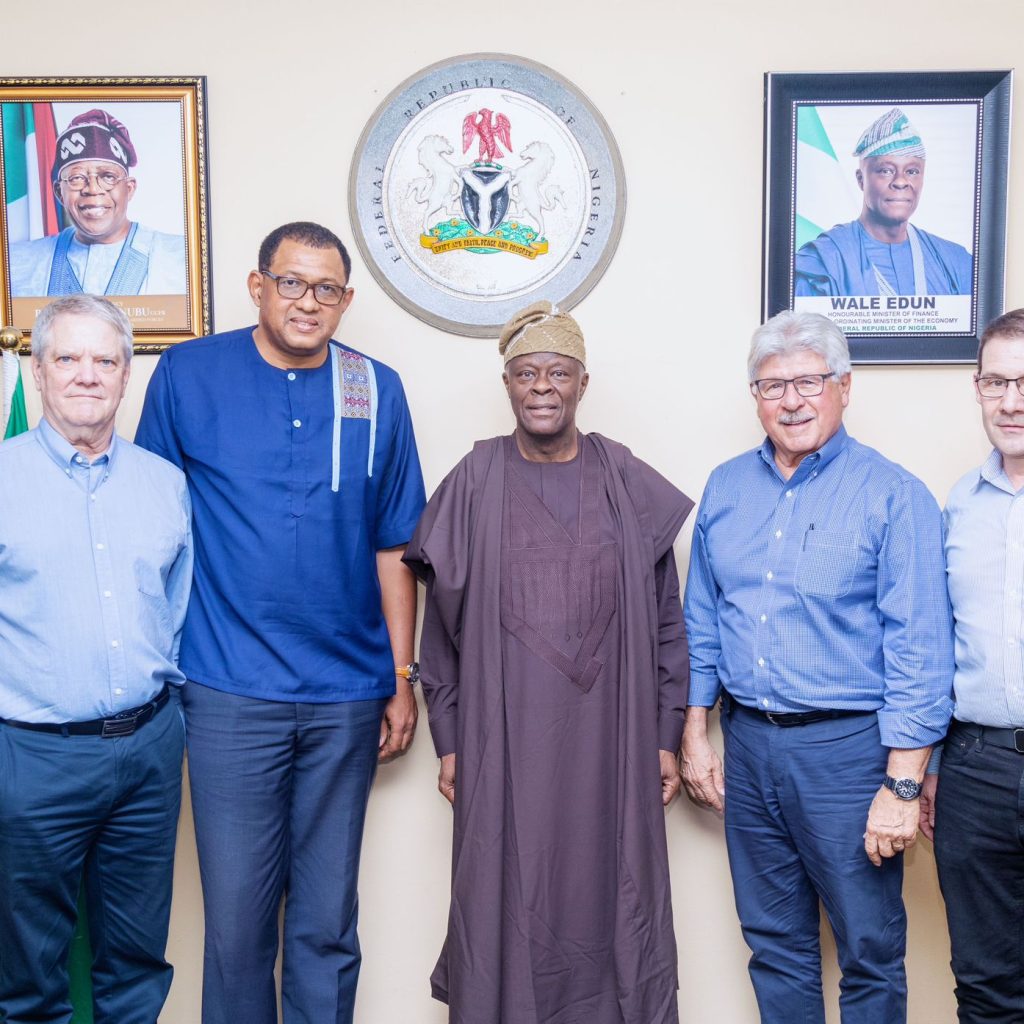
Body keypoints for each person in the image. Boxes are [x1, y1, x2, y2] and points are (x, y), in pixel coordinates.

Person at [134, 221, 425, 1024]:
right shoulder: (189, 375)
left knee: (328, 920)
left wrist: (401, 679)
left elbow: (394, 544)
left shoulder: (374, 386)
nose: (308, 302)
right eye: (291, 283)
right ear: (257, 285)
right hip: (227, 689)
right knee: (235, 923)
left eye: (327, 289)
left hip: (347, 696)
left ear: (346, 301)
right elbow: (149, 522)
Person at [404, 301, 693, 1024]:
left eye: (557, 372)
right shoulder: (475, 479)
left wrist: (664, 731)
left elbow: (666, 618)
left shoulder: (623, 477)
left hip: (615, 744)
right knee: (505, 901)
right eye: (526, 373)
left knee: (617, 897)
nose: (542, 387)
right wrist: (450, 738)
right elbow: (439, 631)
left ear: (582, 383)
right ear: (506, 384)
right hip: (503, 751)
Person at [682, 309, 954, 1024]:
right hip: (747, 745)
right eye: (773, 387)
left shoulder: (895, 496)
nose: (792, 401)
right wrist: (694, 731)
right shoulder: (725, 488)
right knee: (774, 943)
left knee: (867, 948)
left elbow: (919, 650)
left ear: (844, 387)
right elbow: (702, 619)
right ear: (755, 396)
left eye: (809, 381)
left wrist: (902, 781)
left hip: (849, 753)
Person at [0, 294, 193, 1024]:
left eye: (104, 360)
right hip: (32, 758)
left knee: (136, 967)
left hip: (147, 753)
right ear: (39, 372)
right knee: (29, 979)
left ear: (126, 374)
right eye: (68, 358)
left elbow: (174, 615)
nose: (88, 375)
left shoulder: (163, 485)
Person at [922, 308, 1024, 1022]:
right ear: (977, 389)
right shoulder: (959, 504)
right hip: (977, 767)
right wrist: (927, 767)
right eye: (997, 383)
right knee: (987, 984)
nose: (1012, 402)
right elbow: (937, 643)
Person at [795, 107, 972, 297]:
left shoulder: (955, 262)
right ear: (861, 179)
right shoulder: (824, 261)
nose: (900, 181)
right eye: (886, 171)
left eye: (912, 172)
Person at [10, 108, 187, 297]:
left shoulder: (182, 258)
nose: (93, 189)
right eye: (77, 178)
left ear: (129, 189)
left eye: (108, 177)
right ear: (59, 192)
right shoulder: (16, 264)